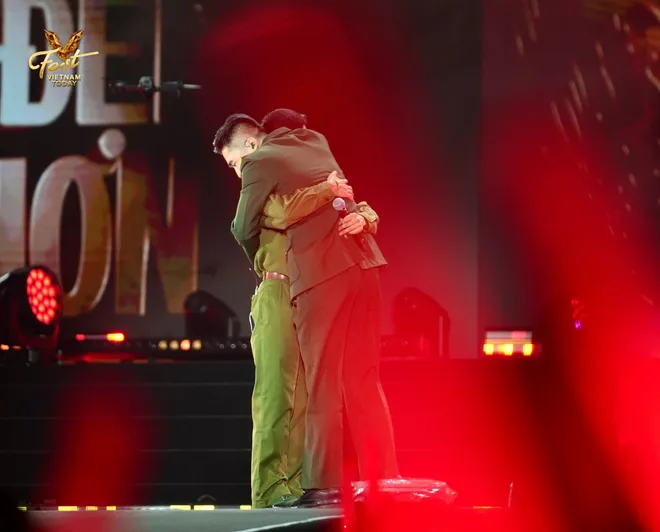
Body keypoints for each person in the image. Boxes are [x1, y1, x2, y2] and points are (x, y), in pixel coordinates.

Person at [214, 112, 399, 507]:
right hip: (287, 285)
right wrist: (330, 193)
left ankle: (306, 487)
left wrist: (361, 214)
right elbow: (270, 218)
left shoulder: (270, 169)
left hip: (311, 283)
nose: (238, 172)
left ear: (252, 146)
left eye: (235, 162)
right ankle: (272, 493)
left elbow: (346, 204)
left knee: (312, 390)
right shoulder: (281, 185)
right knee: (280, 394)